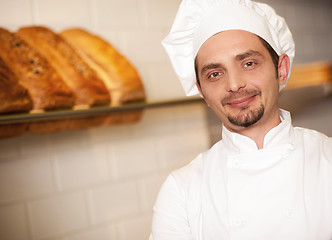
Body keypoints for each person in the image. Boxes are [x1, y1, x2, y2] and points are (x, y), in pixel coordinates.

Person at [149, 0, 332, 239]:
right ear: (202, 91)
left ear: (281, 69)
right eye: (215, 74)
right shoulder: (181, 190)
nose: (234, 85)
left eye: (248, 63)